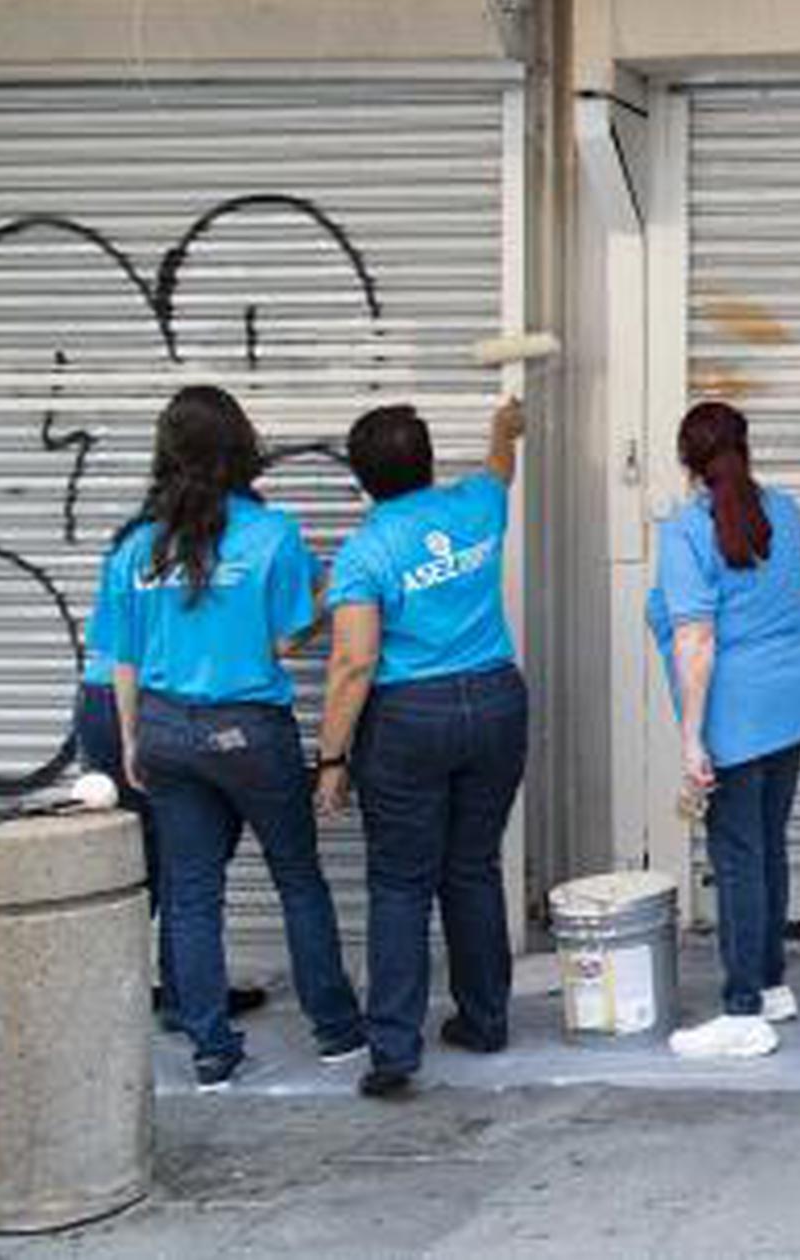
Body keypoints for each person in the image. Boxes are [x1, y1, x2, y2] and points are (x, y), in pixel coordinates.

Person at [105, 385, 363, 1090]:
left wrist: (132, 739)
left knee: (191, 894)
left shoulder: (135, 547)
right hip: (249, 732)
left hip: (163, 728)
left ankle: (212, 1053)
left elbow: (122, 657)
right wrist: (324, 595)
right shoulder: (271, 533)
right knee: (298, 879)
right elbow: (286, 639)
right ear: (241, 448)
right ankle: (338, 1034)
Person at [312, 398, 529, 1099]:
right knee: (471, 865)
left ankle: (395, 1050)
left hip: (410, 719)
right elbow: (501, 469)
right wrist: (504, 426)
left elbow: (353, 663)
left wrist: (332, 759)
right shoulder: (475, 506)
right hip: (496, 701)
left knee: (401, 882)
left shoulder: (365, 551)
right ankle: (486, 1018)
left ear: (362, 480)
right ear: (429, 461)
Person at [651, 401, 800, 1060]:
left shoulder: (684, 532)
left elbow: (695, 641)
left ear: (686, 464)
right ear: (745, 448)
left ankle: (741, 1007)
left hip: (737, 706)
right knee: (766, 844)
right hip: (792, 696)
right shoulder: (784, 511)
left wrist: (692, 738)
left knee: (736, 857)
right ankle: (772, 983)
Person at [77, 536, 269, 1029]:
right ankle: (187, 996)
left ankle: (98, 993)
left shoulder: (133, 542)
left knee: (135, 859)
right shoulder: (232, 534)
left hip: (100, 697)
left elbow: (113, 637)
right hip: (155, 700)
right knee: (191, 860)